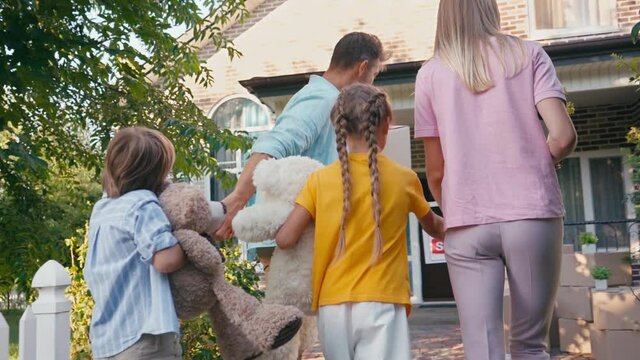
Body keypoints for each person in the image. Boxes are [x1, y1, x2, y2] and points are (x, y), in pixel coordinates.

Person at [414, 1, 577, 359]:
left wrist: (454, 210)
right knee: (531, 345)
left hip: (466, 222)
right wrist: (534, 164)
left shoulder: (430, 74)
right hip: (531, 215)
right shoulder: (529, 54)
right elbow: (563, 136)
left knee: (481, 348)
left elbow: (436, 171)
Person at [275, 84, 445, 360]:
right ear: (385, 127)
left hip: (332, 305)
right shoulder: (405, 179)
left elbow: (285, 239)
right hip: (383, 302)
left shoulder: (319, 180)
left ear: (338, 127)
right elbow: (436, 228)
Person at [215, 32, 389, 248]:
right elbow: (272, 146)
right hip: (294, 245)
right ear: (362, 68)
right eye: (373, 75)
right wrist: (237, 200)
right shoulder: (321, 98)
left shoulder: (327, 99)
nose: (372, 85)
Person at [84, 127, 186, 360]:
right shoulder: (143, 205)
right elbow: (165, 260)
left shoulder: (102, 208)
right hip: (145, 336)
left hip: (109, 340)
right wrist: (190, 243)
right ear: (156, 176)